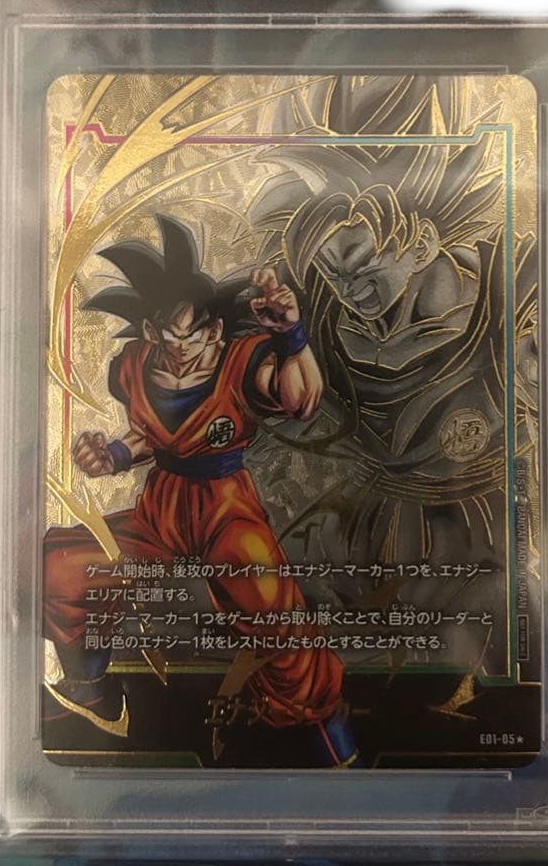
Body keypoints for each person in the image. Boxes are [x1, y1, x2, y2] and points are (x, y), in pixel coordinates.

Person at [43, 216, 358, 767]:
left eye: (196, 334)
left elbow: (301, 400)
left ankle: (326, 737)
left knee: (275, 613)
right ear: (151, 331)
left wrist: (290, 335)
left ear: (215, 330)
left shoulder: (243, 361)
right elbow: (148, 435)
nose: (184, 346)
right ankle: (88, 692)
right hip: (160, 509)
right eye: (171, 335)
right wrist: (112, 456)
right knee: (63, 566)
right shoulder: (133, 367)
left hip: (226, 508)